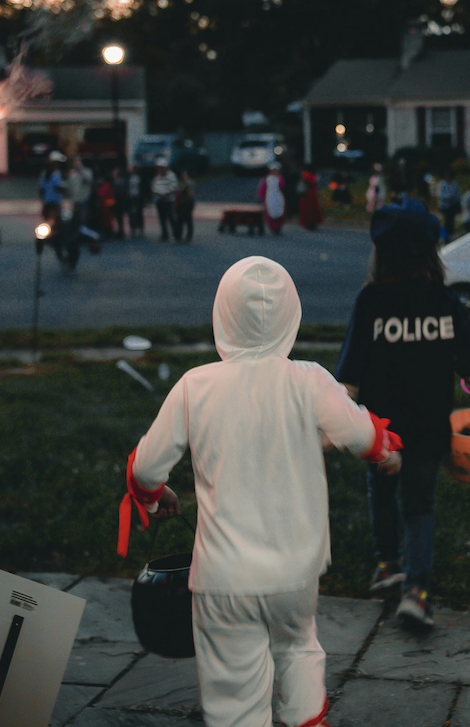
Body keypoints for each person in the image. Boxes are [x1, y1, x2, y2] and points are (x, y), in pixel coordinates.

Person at [118, 256, 402, 727]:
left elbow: (146, 467)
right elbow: (363, 434)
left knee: (235, 688)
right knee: (299, 649)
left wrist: (155, 495)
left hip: (224, 578)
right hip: (295, 573)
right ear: (291, 316)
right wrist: (386, 453)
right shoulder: (308, 381)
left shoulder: (196, 386)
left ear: (221, 316)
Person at [335, 199, 470, 629]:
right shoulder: (445, 302)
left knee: (381, 489)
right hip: (427, 428)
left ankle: (386, 564)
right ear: (431, 253)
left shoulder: (370, 302)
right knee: (420, 505)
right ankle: (416, 593)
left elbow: (347, 379)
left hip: (381, 431)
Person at [151, 159, 179, 242]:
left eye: (160, 167)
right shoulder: (157, 176)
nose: (158, 169)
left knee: (171, 217)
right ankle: (164, 234)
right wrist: (156, 193)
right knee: (162, 218)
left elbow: (174, 186)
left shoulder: (171, 176)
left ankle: (176, 234)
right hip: (159, 200)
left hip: (168, 200)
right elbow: (154, 186)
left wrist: (165, 193)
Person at [66, 155, 94, 230]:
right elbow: (69, 186)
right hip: (75, 200)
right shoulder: (72, 174)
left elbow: (89, 180)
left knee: (84, 218)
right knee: (75, 218)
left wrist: (81, 171)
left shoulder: (87, 171)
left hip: (84, 199)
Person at [38, 151, 66, 223]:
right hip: (53, 203)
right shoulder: (56, 174)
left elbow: (41, 189)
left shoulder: (45, 174)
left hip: (48, 203)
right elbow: (59, 187)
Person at [259, 163, 286, 235]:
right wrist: (262, 196)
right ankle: (272, 227)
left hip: (278, 197)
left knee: (279, 211)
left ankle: (278, 227)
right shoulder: (267, 178)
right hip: (269, 197)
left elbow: (282, 185)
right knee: (270, 212)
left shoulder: (280, 178)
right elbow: (263, 188)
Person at [435, 169, 461, 239]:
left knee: (451, 220)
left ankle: (450, 232)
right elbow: (440, 195)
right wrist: (449, 197)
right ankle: (446, 234)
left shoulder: (454, 183)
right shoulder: (441, 184)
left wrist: (458, 202)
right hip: (445, 205)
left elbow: (457, 194)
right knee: (447, 220)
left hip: (453, 205)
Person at [175, 169, 196, 243]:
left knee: (185, 219)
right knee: (184, 220)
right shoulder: (184, 182)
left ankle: (185, 236)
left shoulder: (188, 183)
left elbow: (188, 193)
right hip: (184, 203)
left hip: (186, 203)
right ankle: (181, 235)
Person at [127, 166, 145, 238]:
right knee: (131, 212)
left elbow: (144, 187)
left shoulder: (140, 178)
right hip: (131, 196)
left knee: (138, 212)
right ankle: (133, 227)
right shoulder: (129, 178)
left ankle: (140, 226)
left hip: (138, 196)